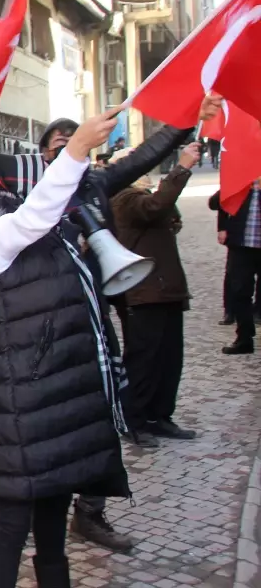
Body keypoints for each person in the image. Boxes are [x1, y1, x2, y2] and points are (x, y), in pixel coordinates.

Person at [0, 96, 219, 553]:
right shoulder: (30, 199)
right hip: (45, 327)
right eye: (61, 144)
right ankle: (43, 510)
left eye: (75, 142)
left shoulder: (96, 183)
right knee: (57, 421)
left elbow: (145, 154)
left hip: (94, 318)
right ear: (44, 156)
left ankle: (91, 512)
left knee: (100, 417)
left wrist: (185, 119)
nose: (69, 150)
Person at [0, 108, 130, 588]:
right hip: (19, 416)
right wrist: (76, 151)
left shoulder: (55, 237)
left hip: (57, 412)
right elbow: (36, 212)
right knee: (10, 530)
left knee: (53, 533)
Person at [109, 142, 200, 445]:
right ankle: (134, 420)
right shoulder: (123, 196)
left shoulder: (141, 194)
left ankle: (160, 416)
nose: (144, 173)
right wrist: (182, 168)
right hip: (142, 292)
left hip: (165, 289)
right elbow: (154, 209)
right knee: (143, 360)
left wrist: (164, 195)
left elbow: (167, 212)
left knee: (169, 359)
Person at [211, 181, 261, 355]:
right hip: (241, 245)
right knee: (239, 292)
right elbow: (214, 203)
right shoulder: (240, 178)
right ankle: (244, 338)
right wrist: (222, 227)